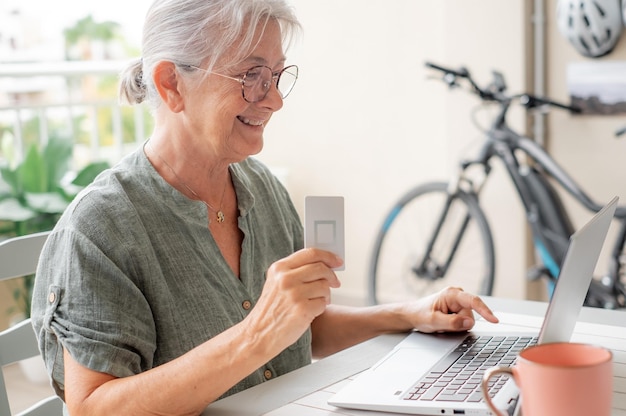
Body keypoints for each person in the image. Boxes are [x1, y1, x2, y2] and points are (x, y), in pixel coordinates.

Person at [31, 0, 499, 415]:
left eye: (276, 76)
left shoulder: (261, 187)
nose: (273, 100)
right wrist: (256, 335)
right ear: (171, 83)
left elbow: (301, 330)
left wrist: (408, 314)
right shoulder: (102, 227)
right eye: (251, 76)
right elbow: (93, 409)